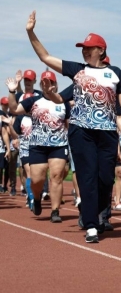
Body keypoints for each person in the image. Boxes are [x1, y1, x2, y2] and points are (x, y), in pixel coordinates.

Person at [26, 10, 121, 243]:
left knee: (105, 178)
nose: (85, 51)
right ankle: (91, 225)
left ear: (101, 51)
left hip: (107, 132)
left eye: (90, 47)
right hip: (81, 131)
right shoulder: (77, 70)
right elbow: (46, 57)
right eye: (83, 48)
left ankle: (98, 213)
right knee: (86, 177)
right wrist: (31, 32)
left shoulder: (115, 73)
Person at [6, 71, 70, 222]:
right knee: (37, 180)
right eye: (44, 83)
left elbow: (67, 124)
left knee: (56, 177)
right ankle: (36, 197)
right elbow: (14, 109)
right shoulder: (33, 101)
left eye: (51, 82)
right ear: (41, 85)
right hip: (38, 146)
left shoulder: (63, 102)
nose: (48, 85)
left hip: (58, 145)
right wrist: (12, 91)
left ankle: (55, 211)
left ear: (55, 85)